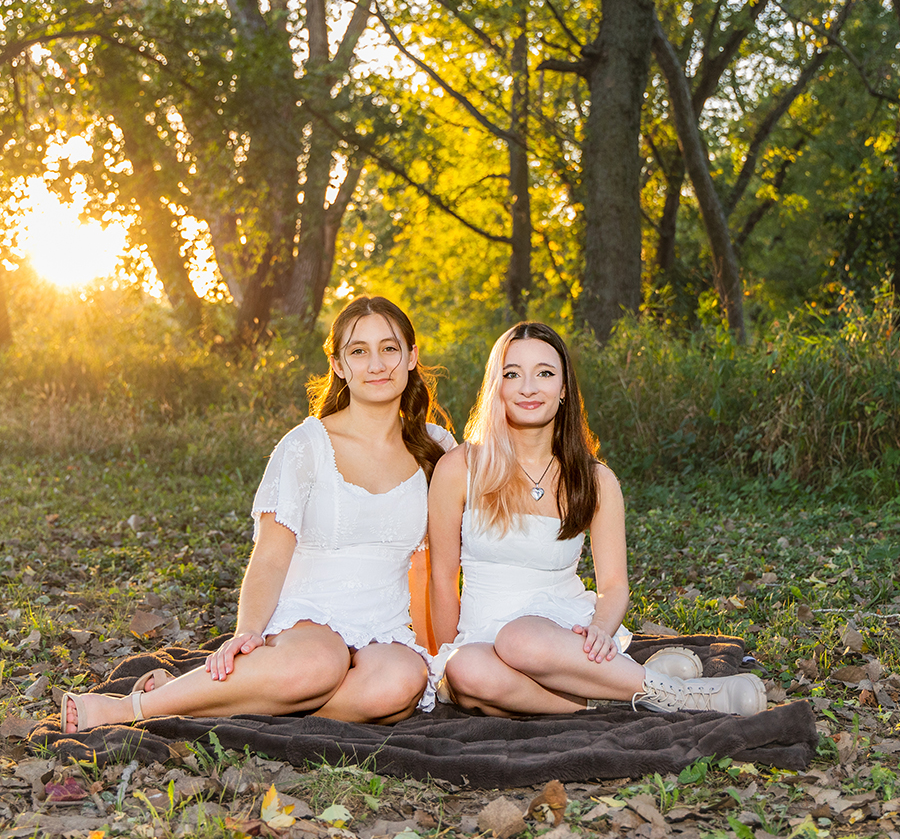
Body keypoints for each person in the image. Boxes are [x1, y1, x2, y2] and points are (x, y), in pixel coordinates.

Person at [61, 296, 455, 732]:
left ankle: (231, 701)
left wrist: (445, 648)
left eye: (390, 348)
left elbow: (442, 557)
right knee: (319, 666)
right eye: (359, 351)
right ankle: (130, 709)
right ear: (339, 365)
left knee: (399, 686)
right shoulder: (307, 445)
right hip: (311, 615)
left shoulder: (436, 449)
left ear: (412, 357)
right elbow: (269, 556)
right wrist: (246, 631)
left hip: (386, 623)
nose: (376, 363)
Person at [428, 321, 766, 717]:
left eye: (545, 373)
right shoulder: (460, 467)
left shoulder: (595, 480)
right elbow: (441, 576)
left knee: (519, 638)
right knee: (468, 672)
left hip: (557, 629)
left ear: (565, 388)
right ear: (495, 386)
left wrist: (601, 632)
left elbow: (614, 585)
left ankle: (683, 697)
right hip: (481, 634)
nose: (528, 387)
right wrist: (448, 654)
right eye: (512, 374)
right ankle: (612, 694)